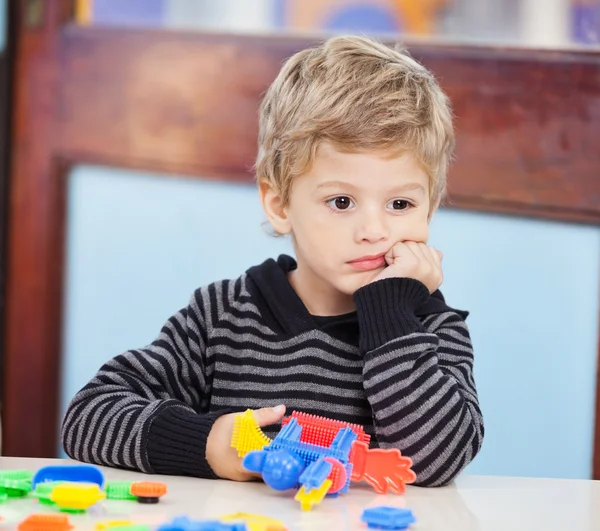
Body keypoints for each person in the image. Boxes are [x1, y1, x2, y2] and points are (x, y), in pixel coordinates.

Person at [62, 35, 484, 487]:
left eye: (400, 205)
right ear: (280, 204)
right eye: (342, 202)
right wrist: (205, 444)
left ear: (430, 210)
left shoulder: (430, 327)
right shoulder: (221, 317)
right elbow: (89, 415)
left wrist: (392, 314)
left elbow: (436, 461)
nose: (374, 231)